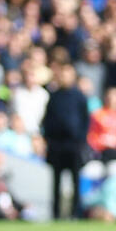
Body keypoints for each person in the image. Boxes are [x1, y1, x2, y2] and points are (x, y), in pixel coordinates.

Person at [42, 63, 89, 219]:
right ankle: (56, 214)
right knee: (56, 183)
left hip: (74, 146)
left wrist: (80, 140)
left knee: (76, 182)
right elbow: (47, 120)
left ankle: (75, 213)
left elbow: (85, 121)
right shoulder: (54, 96)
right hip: (57, 146)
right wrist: (50, 139)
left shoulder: (79, 97)